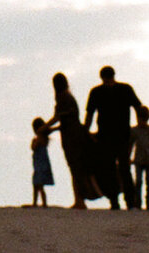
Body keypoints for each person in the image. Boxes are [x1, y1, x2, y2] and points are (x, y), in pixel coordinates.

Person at [86, 66, 148, 209]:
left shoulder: (96, 92)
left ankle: (114, 201)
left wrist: (86, 132)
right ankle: (130, 201)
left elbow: (89, 115)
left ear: (101, 77)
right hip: (123, 135)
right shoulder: (125, 89)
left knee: (109, 168)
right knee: (124, 168)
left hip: (105, 136)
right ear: (114, 75)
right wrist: (140, 123)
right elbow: (139, 107)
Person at [48, 72, 98, 208]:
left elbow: (59, 117)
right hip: (73, 134)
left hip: (72, 137)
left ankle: (79, 200)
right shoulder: (67, 97)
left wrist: (46, 127)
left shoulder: (64, 97)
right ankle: (79, 199)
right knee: (76, 168)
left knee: (75, 168)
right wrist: (51, 128)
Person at [129, 111, 149, 210]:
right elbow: (131, 144)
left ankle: (148, 203)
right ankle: (138, 203)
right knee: (139, 181)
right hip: (138, 158)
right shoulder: (134, 130)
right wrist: (129, 157)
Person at [29, 116, 54, 207]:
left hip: (40, 165)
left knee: (38, 185)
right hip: (40, 164)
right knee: (37, 185)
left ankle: (41, 203)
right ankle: (38, 203)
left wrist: (34, 142)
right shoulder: (44, 139)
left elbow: (33, 147)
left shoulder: (40, 139)